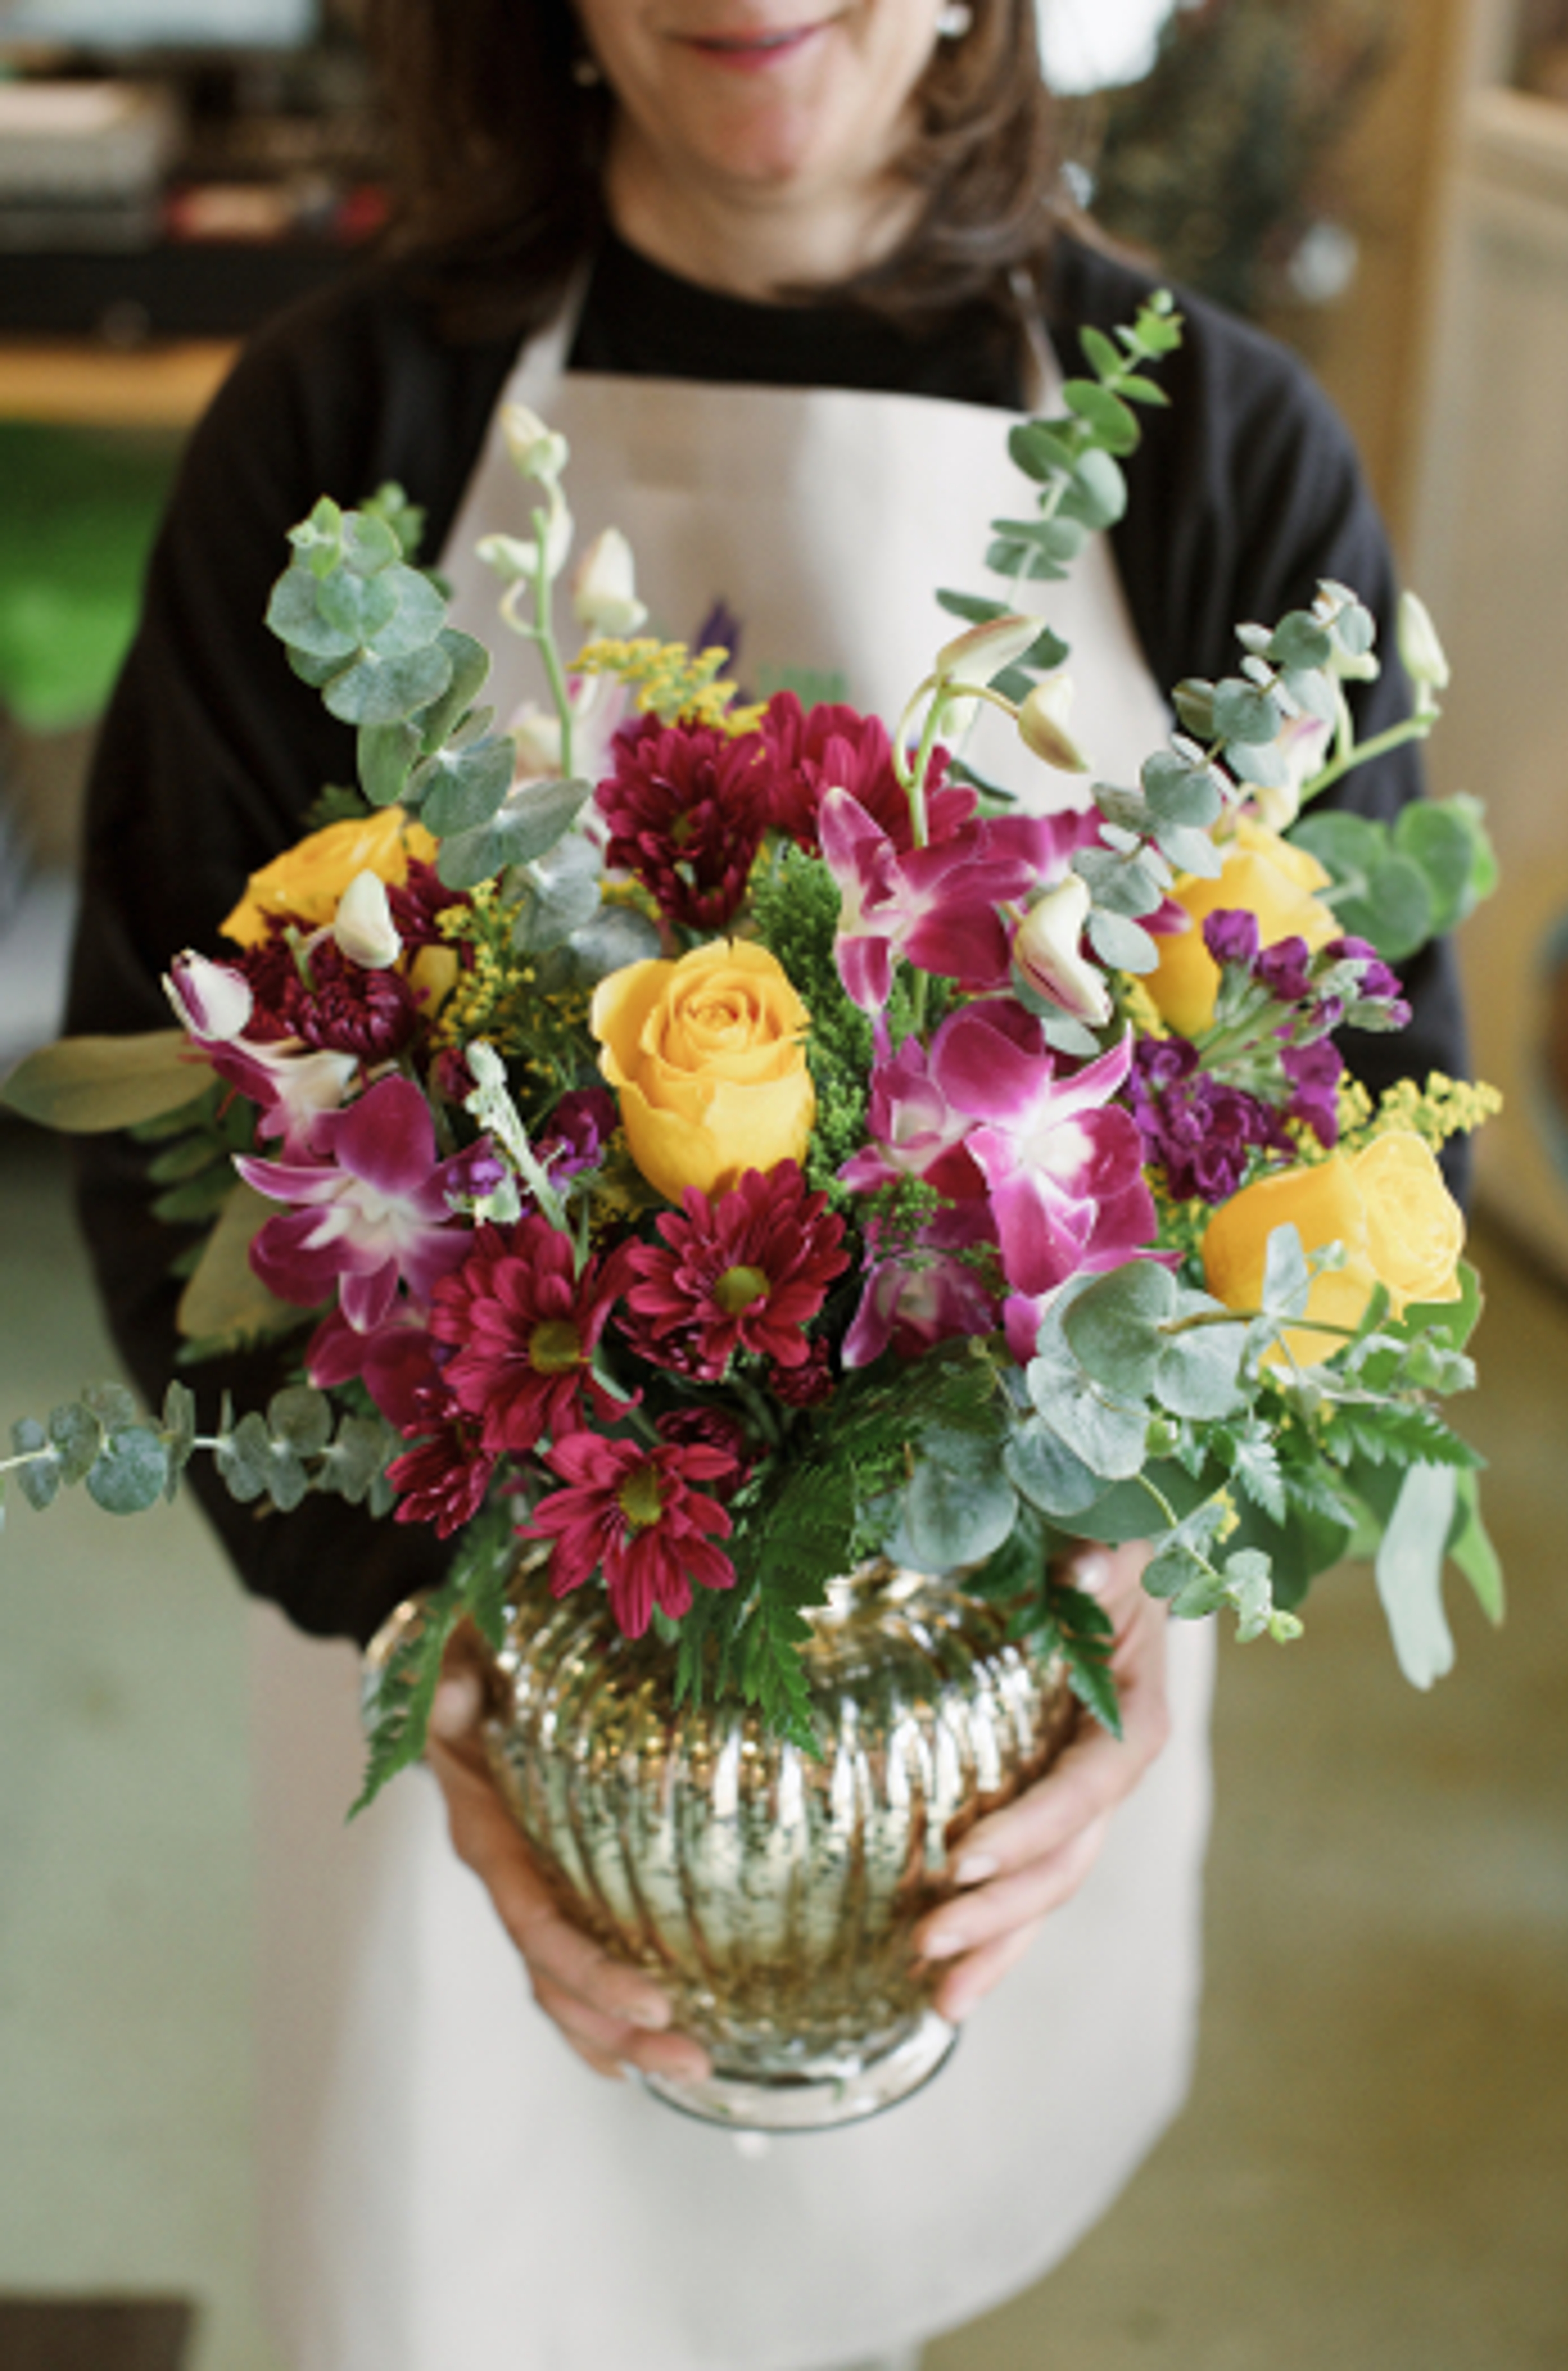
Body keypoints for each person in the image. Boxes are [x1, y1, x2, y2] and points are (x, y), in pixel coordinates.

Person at [66, 1, 1466, 2366]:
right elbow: (164, 1123)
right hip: (477, 1683)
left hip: (976, 1747)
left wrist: (1139, 1608)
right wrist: (419, 1642)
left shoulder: (1215, 451)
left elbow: (1359, 1151)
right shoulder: (343, 434)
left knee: (857, 2278)